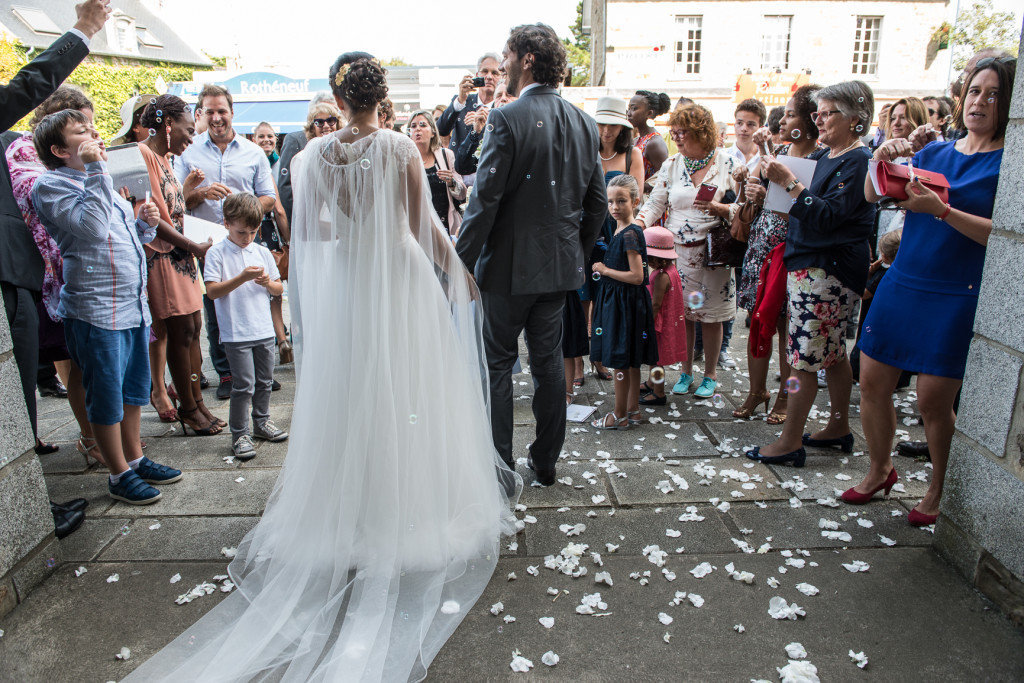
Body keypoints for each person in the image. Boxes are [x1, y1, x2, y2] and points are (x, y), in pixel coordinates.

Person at [123, 51, 518, 683]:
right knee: (408, 391)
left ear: (339, 97)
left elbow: (318, 235)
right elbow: (419, 224)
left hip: (355, 291)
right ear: (381, 98)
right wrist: (458, 273)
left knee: (357, 394)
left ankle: (353, 513)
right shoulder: (393, 147)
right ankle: (408, 511)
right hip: (399, 280)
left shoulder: (311, 158)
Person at [848, 57, 1014, 526]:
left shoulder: (1011, 164)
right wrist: (881, 160)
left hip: (956, 290)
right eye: (975, 91)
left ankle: (939, 488)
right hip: (905, 282)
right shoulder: (935, 152)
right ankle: (880, 469)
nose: (980, 101)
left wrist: (942, 211)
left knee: (933, 401)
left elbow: (1004, 238)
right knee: (873, 383)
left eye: (994, 93)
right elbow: (871, 194)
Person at [456, 24, 606, 486]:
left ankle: (500, 470)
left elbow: (484, 204)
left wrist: (457, 263)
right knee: (548, 366)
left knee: (497, 366)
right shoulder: (584, 121)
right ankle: (545, 463)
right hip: (558, 271)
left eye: (506, 55)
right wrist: (572, 256)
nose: (500, 65)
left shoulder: (507, 117)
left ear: (526, 59)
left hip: (505, 271)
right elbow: (597, 204)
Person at [32, 109, 183, 504]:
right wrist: (100, 172)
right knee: (107, 394)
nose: (95, 133)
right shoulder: (50, 186)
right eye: (81, 131)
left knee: (134, 390)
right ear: (59, 149)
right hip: (96, 311)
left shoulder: (98, 179)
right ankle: (117, 473)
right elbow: (93, 229)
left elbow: (121, 238)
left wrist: (145, 225)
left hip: (130, 307)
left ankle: (134, 458)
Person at [745, 80, 876, 467]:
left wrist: (788, 181)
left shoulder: (857, 160)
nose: (818, 118)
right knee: (833, 355)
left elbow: (828, 215)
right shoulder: (830, 154)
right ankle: (837, 426)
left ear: (856, 119)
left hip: (826, 270)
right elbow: (805, 205)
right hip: (811, 265)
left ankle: (789, 441)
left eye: (828, 112)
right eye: (816, 112)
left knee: (802, 358)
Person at [0, 0, 109, 466]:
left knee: (21, 378)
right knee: (22, 378)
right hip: (18, 269)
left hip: (19, 268)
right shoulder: (32, 160)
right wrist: (83, 29)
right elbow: (23, 88)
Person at [7, 86, 101, 460]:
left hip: (75, 263)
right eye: (84, 126)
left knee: (84, 359)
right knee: (72, 358)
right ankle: (90, 435)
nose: (93, 134)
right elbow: (35, 198)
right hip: (50, 268)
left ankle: (97, 434)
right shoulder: (27, 157)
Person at [177, 84, 277, 400]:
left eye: (222, 111)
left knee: (254, 299)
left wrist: (242, 209)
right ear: (201, 114)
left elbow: (269, 198)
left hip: (246, 240)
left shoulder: (253, 152)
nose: (217, 117)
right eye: (210, 112)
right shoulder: (188, 153)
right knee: (216, 304)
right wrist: (201, 193)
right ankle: (226, 373)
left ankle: (260, 370)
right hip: (207, 243)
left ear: (232, 112)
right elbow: (177, 201)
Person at [637, 103, 742, 399]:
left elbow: (745, 209)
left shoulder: (728, 163)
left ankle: (710, 374)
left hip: (713, 253)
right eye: (675, 132)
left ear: (703, 133)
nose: (678, 138)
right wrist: (636, 225)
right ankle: (685, 371)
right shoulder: (672, 164)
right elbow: (656, 203)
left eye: (684, 133)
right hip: (676, 254)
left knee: (711, 316)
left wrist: (721, 208)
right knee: (683, 315)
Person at [732, 84, 822, 423]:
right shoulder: (779, 150)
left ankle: (785, 394)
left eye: (790, 114)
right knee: (758, 320)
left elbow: (808, 209)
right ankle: (757, 390)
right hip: (762, 245)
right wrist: (753, 191)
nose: (782, 119)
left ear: (809, 119)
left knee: (786, 324)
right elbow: (753, 196)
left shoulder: (819, 160)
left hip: (791, 248)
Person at [137, 95, 224, 436]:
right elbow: (154, 217)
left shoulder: (166, 157)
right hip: (163, 257)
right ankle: (188, 408)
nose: (192, 137)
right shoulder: (143, 155)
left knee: (194, 329)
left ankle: (198, 403)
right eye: (189, 130)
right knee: (178, 331)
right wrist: (193, 246)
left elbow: (175, 209)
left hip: (183, 257)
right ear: (168, 125)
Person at [204, 193, 288, 458]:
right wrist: (241, 278)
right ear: (227, 223)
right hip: (236, 331)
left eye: (253, 231)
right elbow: (213, 292)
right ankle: (240, 434)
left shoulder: (261, 252)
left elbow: (277, 289)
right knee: (243, 385)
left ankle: (261, 421)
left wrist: (267, 283)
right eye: (241, 232)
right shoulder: (217, 253)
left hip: (262, 329)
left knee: (264, 381)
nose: (247, 238)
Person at [590, 174, 658, 429]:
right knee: (629, 360)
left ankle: (618, 415)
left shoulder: (630, 234)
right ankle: (633, 410)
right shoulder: (621, 229)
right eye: (610, 202)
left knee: (620, 358)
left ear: (636, 201)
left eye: (621, 201)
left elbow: (638, 276)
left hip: (625, 304)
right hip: (625, 302)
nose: (615, 207)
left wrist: (605, 269)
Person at [589, 96, 645, 381]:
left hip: (617, 228)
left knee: (611, 294)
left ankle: (605, 356)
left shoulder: (632, 155)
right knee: (587, 293)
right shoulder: (586, 149)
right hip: (589, 227)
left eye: (613, 125)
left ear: (623, 127)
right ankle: (589, 354)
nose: (607, 131)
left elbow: (637, 195)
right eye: (601, 124)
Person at [253, 121, 294, 364]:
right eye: (261, 137)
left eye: (270, 137)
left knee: (269, 287)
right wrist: (288, 240)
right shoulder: (261, 166)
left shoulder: (278, 163)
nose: (266, 141)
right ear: (253, 139)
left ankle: (279, 338)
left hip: (262, 231)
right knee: (272, 288)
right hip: (265, 231)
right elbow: (278, 209)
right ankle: (280, 338)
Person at [638, 226, 687, 406]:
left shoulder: (661, 277)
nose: (647, 261)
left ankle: (658, 393)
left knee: (655, 359)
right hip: (666, 321)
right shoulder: (670, 270)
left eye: (649, 258)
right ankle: (651, 383)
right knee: (655, 357)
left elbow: (656, 303)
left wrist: (647, 324)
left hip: (658, 323)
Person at [436, 52, 502, 177]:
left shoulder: (502, 107)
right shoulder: (462, 101)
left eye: (494, 73)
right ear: (477, 75)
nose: (489, 77)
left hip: (488, 178)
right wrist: (460, 101)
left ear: (502, 77)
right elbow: (441, 129)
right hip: (457, 177)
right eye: (484, 71)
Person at [277, 91, 335, 224]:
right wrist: (296, 227)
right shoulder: (295, 140)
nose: (326, 124)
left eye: (331, 118)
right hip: (310, 221)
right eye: (320, 120)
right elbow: (286, 189)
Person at [408, 109, 466, 236]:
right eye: (413, 126)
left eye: (423, 125)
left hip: (445, 226)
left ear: (433, 132)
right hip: (420, 228)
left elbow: (462, 194)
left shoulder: (446, 155)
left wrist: (451, 182)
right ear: (409, 133)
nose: (417, 129)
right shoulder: (407, 160)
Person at [454, 80, 516, 178]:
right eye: (499, 96)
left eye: (509, 95)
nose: (503, 99)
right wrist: (475, 132)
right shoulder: (486, 131)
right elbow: (462, 167)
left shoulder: (527, 128)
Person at [627, 90, 670, 194]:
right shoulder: (637, 140)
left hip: (649, 206)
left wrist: (633, 186)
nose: (629, 113)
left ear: (649, 113)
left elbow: (665, 181)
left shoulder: (654, 142)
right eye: (628, 109)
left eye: (634, 108)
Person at [725, 97, 767, 171]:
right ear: (734, 125)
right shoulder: (722, 156)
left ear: (761, 128)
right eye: (739, 123)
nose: (744, 128)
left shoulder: (767, 158)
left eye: (750, 124)